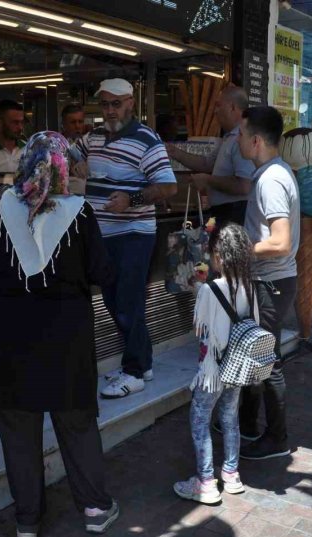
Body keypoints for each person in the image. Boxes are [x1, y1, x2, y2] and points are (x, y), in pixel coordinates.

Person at [0, 131, 120, 537]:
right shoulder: (79, 212)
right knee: (77, 424)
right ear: (64, 167)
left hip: (2, 340)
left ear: (25, 163)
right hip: (63, 340)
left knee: (17, 432)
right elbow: (103, 273)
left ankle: (27, 520)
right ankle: (95, 507)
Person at [72, 78, 178, 398]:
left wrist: (130, 200)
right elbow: (64, 153)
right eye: (104, 104)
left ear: (130, 103)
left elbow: (168, 186)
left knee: (127, 303)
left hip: (134, 233)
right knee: (115, 301)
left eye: (115, 103)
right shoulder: (94, 137)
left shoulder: (147, 140)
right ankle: (141, 364)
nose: (109, 110)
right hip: (102, 234)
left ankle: (134, 372)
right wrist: (75, 162)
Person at [234, 106, 299, 460]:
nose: (238, 141)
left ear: (256, 140)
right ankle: (246, 424)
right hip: (270, 282)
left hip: (271, 283)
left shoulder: (272, 179)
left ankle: (277, 437)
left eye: (241, 136)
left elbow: (280, 241)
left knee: (267, 361)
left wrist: (238, 252)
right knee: (255, 356)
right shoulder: (274, 173)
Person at [174, 224, 255, 503]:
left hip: (212, 369)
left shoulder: (210, 289)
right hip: (237, 366)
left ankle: (206, 482)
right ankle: (231, 474)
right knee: (230, 418)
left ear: (219, 255)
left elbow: (200, 331)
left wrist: (198, 289)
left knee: (200, 418)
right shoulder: (250, 286)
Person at [167, 87, 255, 227]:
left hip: (235, 213)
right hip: (224, 213)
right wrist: (175, 153)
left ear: (232, 107)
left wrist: (208, 180)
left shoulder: (242, 138)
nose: (215, 111)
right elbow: (206, 163)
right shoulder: (228, 138)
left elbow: (244, 186)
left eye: (218, 105)